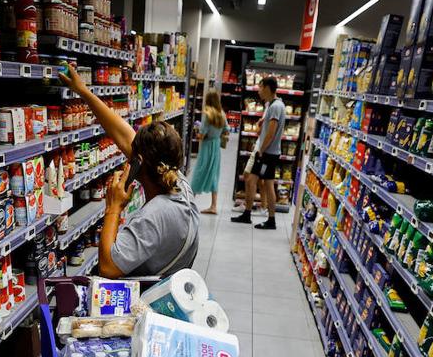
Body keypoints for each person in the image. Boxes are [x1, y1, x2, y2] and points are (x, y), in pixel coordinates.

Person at [59, 64, 198, 278]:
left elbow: (108, 267)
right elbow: (124, 135)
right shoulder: (178, 183)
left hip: (147, 295)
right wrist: (83, 92)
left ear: (139, 162)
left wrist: (113, 207)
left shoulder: (155, 216)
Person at [232, 75, 285, 230]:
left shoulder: (275, 106)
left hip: (267, 153)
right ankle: (250, 215)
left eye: (261, 87)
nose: (259, 90)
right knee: (256, 182)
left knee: (263, 184)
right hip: (268, 152)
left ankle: (269, 219)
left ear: (268, 88)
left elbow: (272, 132)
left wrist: (261, 150)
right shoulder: (274, 104)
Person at [190, 88, 225, 215]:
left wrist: (196, 130)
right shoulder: (222, 114)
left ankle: (189, 202)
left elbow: (201, 135)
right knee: (214, 175)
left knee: (199, 172)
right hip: (216, 147)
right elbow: (226, 129)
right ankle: (214, 206)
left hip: (206, 147)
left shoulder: (207, 116)